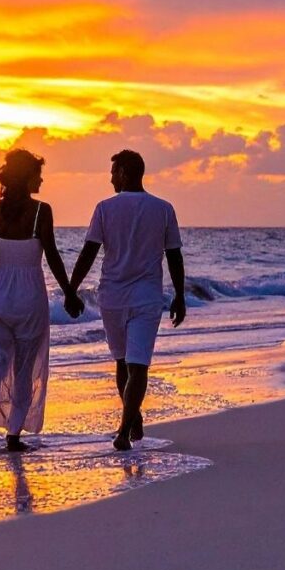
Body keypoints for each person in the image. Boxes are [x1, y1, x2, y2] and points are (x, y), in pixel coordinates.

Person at [0, 149, 77, 454]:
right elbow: (53, 255)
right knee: (24, 367)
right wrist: (69, 292)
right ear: (27, 177)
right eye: (37, 174)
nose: (42, 179)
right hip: (30, 295)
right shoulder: (41, 211)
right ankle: (13, 436)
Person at [65, 149, 186, 451]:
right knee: (131, 363)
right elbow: (174, 256)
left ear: (123, 173)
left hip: (115, 296)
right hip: (142, 296)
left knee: (131, 364)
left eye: (113, 172)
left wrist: (71, 289)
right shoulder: (163, 208)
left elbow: (89, 252)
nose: (110, 179)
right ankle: (133, 417)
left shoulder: (106, 208)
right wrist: (180, 296)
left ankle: (123, 430)